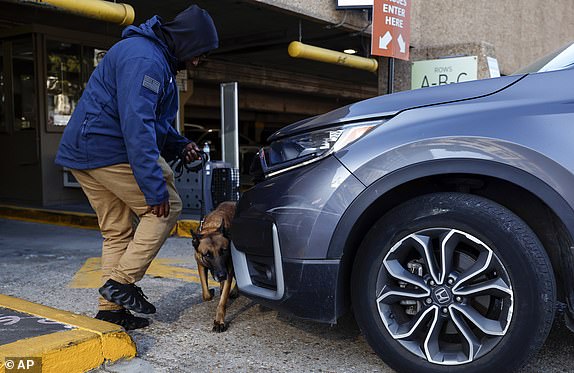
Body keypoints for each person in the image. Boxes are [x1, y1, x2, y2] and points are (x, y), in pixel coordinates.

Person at [55, 5, 219, 330]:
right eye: (199, 53)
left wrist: (177, 143)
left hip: (86, 152)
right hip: (107, 150)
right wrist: (152, 187)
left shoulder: (149, 54)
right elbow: (137, 124)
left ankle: (110, 310)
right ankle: (121, 283)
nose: (198, 61)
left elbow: (151, 120)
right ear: (186, 41)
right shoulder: (146, 60)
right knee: (166, 206)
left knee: (117, 231)